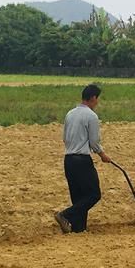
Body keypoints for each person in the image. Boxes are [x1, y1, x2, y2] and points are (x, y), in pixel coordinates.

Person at [55, 84, 111, 234]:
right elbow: (94, 142)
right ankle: (64, 215)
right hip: (82, 160)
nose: (97, 102)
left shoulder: (70, 114)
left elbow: (65, 139)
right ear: (93, 98)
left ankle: (79, 230)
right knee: (94, 194)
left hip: (68, 160)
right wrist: (102, 154)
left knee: (78, 198)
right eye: (97, 99)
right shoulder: (91, 116)